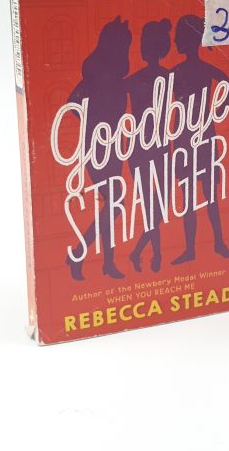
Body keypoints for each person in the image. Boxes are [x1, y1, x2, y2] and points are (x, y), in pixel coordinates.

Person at [66, 16, 132, 280]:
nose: (126, 50)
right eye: (124, 45)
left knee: (112, 205)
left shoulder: (115, 78)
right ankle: (80, 255)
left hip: (113, 148)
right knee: (115, 205)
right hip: (98, 148)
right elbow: (71, 104)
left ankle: (106, 262)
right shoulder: (97, 77)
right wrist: (94, 126)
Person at [171, 15, 229, 265]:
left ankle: (212, 244)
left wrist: (221, 108)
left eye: (179, 37)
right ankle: (199, 248)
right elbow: (227, 83)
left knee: (203, 197)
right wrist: (220, 108)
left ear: (188, 40)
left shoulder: (179, 71)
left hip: (193, 135)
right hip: (192, 136)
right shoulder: (182, 71)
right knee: (202, 197)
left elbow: (227, 83)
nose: (176, 41)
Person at [126, 19, 172, 273]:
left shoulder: (138, 80)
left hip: (155, 148)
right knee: (154, 207)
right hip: (145, 149)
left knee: (156, 206)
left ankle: (138, 253)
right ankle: (156, 256)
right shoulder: (166, 78)